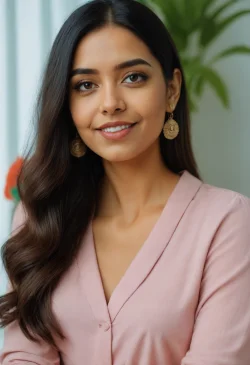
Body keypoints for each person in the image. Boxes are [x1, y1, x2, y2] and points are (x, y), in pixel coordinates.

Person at [1, 0, 250, 364]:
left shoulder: (227, 222)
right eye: (85, 85)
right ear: (66, 105)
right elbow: (23, 356)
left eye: (133, 77)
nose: (110, 103)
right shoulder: (42, 215)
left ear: (172, 90)